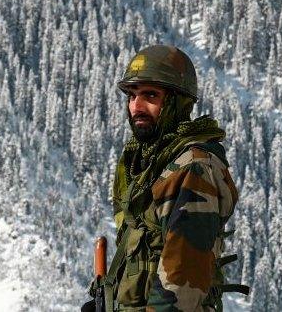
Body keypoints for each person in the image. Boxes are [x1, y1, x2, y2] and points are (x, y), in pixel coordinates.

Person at [88, 45, 247, 311]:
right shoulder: (149, 165)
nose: (136, 106)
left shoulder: (192, 168)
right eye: (132, 95)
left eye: (150, 95)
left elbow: (183, 279)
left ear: (177, 102)